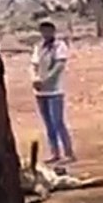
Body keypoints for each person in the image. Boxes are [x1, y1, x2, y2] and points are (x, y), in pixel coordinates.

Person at [32, 19, 74, 164]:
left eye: (48, 30)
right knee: (48, 123)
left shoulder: (59, 46)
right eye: (43, 30)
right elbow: (34, 65)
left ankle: (68, 153)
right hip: (40, 92)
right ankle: (55, 152)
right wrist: (35, 79)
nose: (45, 33)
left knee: (58, 122)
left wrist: (46, 80)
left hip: (55, 90)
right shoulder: (38, 47)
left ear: (53, 31)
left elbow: (59, 66)